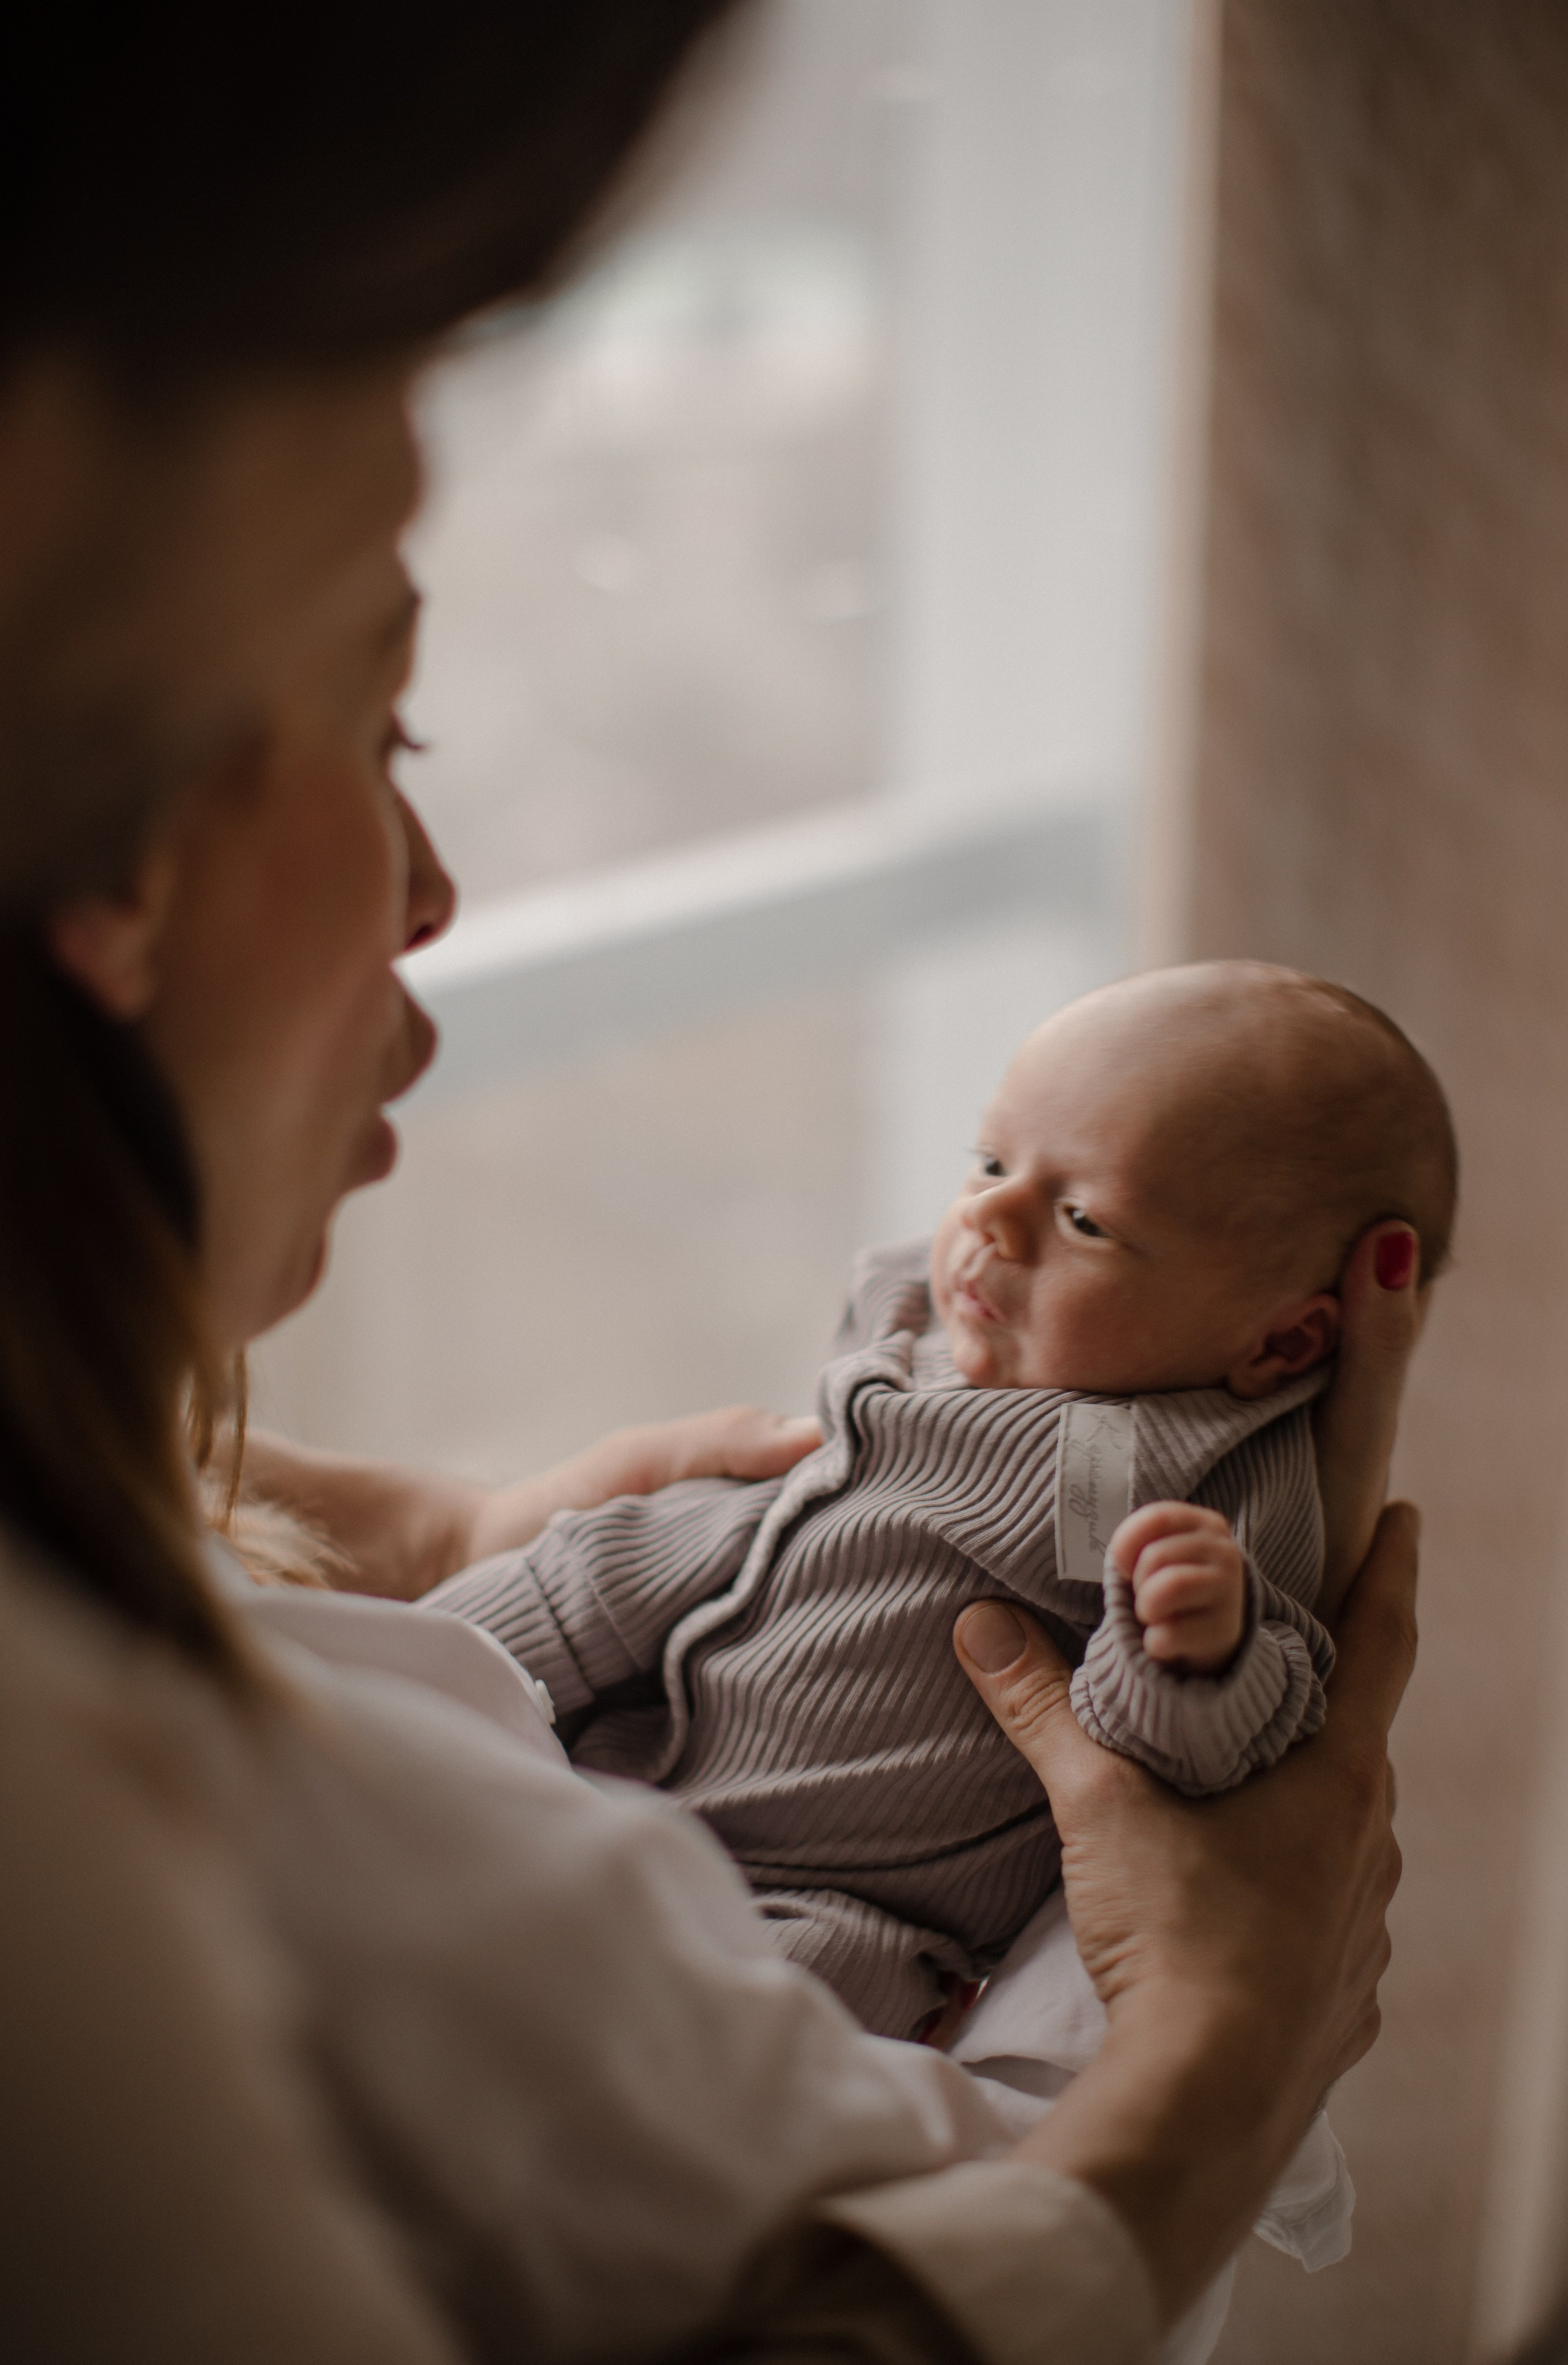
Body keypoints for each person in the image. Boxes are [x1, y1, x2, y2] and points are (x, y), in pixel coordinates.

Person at [0, 6, 1419, 2359]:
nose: (436, 888)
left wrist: (410, 1530)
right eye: (375, 727)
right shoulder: (306, 1865)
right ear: (118, 856)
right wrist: (1219, 2044)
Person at [422, 962, 1455, 2039]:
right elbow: (797, 1494)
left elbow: (1210, 1758)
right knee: (511, 1634)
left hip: (833, 1899)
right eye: (992, 1161)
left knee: (748, 2029)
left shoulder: (1208, 1482)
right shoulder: (932, 1316)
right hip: (643, 1710)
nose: (992, 1216)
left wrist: (1194, 1655)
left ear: (1280, 1340)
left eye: (1086, 1220)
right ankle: (359, 1701)